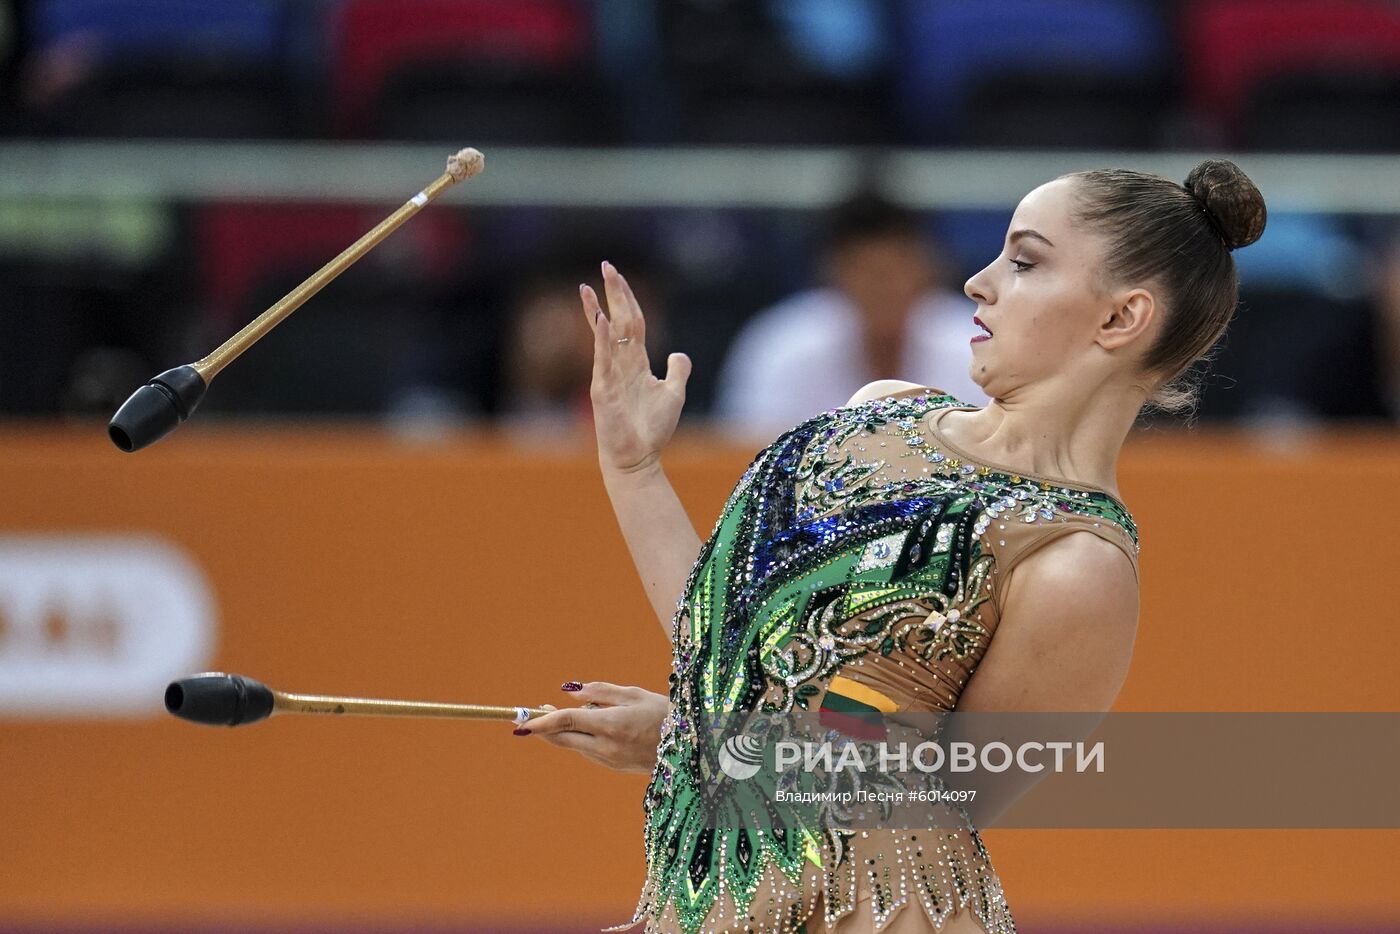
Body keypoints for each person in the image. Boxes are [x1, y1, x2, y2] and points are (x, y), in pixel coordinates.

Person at [515, 161, 1267, 933]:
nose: (978, 282)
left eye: (1025, 261)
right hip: (715, 900)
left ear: (1120, 319)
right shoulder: (879, 411)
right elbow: (730, 635)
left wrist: (708, 743)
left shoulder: (1076, 564)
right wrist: (635, 469)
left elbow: (941, 798)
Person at [714, 190, 987, 440]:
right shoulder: (780, 346)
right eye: (868, 272)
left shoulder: (974, 343)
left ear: (928, 269)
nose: (885, 288)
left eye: (896, 269)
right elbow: (742, 460)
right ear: (834, 274)